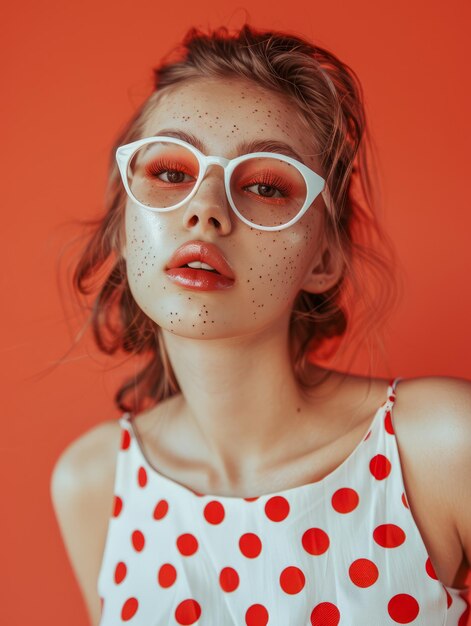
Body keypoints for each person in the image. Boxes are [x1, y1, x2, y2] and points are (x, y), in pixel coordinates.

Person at [50, 23, 470, 626]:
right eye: (170, 173)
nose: (206, 210)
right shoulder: (93, 485)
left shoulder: (441, 448)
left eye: (267, 185)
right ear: (122, 227)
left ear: (324, 259)